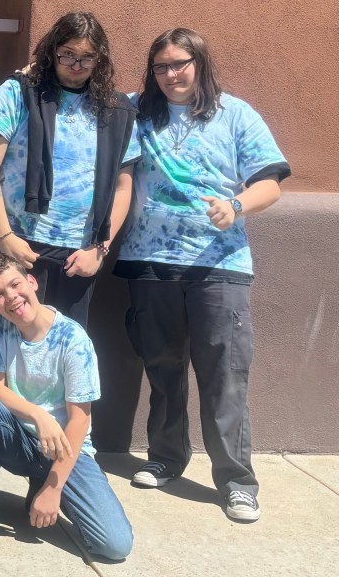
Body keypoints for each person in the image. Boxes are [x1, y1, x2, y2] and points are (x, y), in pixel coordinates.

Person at [114, 28, 290, 523]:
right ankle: (167, 458)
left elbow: (270, 182)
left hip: (220, 265)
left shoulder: (235, 114)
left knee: (224, 375)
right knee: (163, 369)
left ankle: (237, 481)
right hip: (150, 263)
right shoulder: (135, 112)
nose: (171, 75)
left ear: (200, 63)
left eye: (180, 64)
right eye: (161, 67)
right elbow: (83, 100)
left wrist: (236, 206)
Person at [0, 253, 132, 559]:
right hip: (19, 439)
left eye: (15, 285)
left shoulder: (73, 339)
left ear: (31, 282)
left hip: (63, 447)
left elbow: (79, 421)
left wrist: (54, 489)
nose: (11, 299)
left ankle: (45, 483)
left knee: (115, 545)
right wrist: (37, 415)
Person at [0, 12, 139, 330]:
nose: (76, 65)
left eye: (87, 57)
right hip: (16, 245)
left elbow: (122, 187)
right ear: (52, 51)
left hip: (78, 255)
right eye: (68, 54)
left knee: (65, 353)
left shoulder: (116, 111)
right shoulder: (19, 93)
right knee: (4, 352)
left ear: (99, 59)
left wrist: (99, 250)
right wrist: (5, 236)